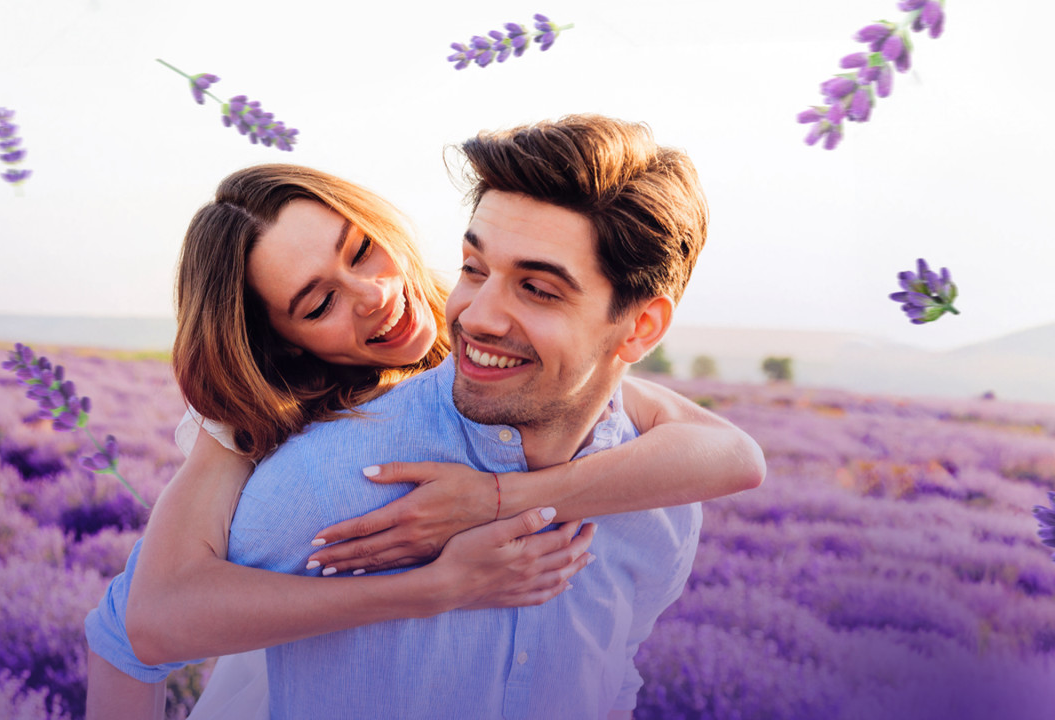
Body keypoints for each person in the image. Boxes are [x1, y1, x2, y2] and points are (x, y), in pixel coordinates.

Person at [86, 139, 762, 718]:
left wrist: (496, 500)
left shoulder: (487, 341)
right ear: (285, 343)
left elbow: (729, 455)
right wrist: (434, 588)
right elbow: (140, 627)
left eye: (362, 250)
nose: (376, 294)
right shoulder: (258, 438)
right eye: (320, 303)